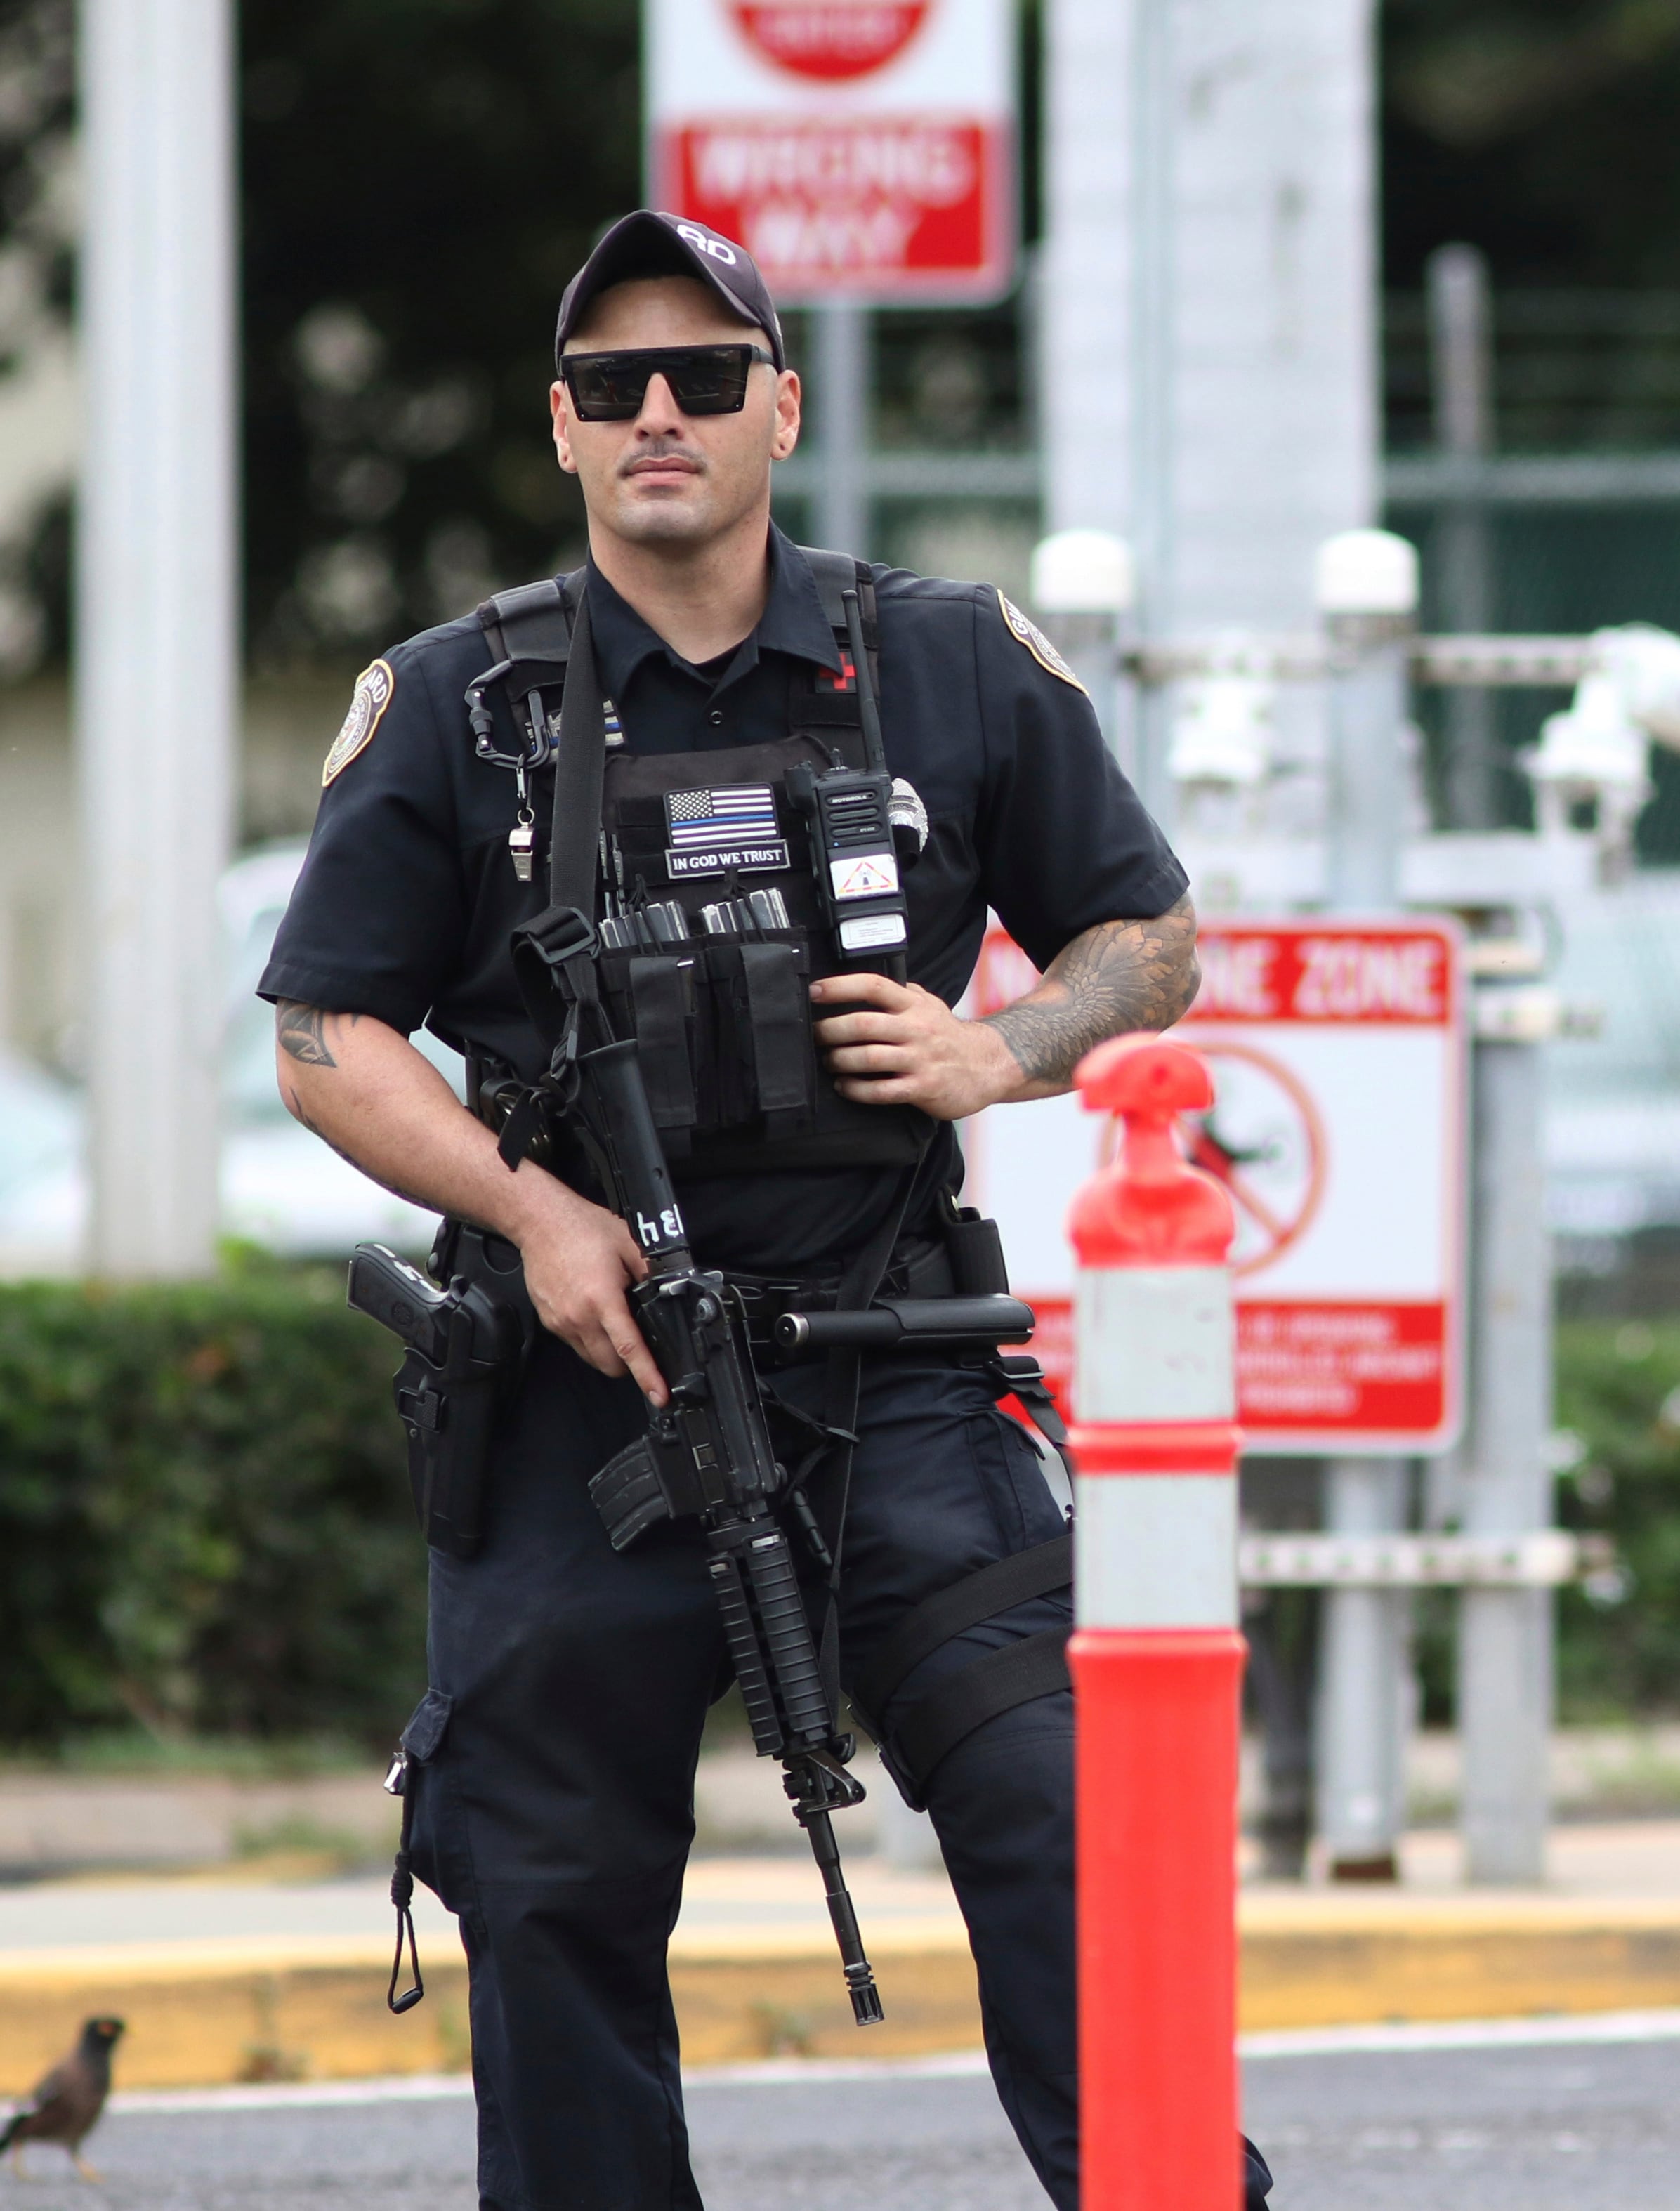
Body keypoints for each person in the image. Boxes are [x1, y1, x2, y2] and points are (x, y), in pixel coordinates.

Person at [261, 211, 1266, 2211]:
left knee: (1069, 1823)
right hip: (584, 1382)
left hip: (894, 1359)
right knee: (544, 1886)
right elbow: (321, 1032)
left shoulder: (950, 659)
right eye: (612, 383)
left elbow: (1149, 941)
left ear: (779, 410)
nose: (660, 412)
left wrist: (1007, 1045)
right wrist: (529, 1209)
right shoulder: (460, 703)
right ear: (559, 429)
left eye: (706, 376)